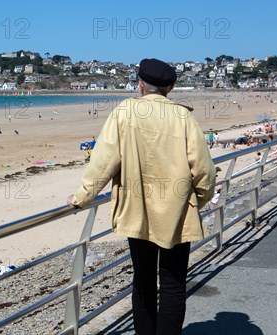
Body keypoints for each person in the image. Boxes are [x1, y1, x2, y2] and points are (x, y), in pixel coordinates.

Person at [67, 58, 216, 335]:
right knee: (173, 285)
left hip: (138, 210)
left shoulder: (125, 112)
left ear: (140, 86)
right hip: (177, 212)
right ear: (170, 87)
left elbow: (103, 161)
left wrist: (82, 197)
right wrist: (200, 200)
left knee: (143, 282)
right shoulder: (184, 117)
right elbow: (204, 170)